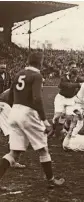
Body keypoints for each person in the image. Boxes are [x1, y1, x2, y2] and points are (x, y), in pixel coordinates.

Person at [0, 52, 64, 191]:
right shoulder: (37, 75)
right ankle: (51, 180)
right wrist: (44, 120)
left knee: (14, 153)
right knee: (43, 149)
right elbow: (37, 98)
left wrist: (15, 108)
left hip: (14, 112)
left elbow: (10, 94)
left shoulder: (18, 73)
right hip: (28, 114)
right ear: (40, 63)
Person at [0, 89, 26, 169]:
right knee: (14, 131)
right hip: (4, 106)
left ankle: (13, 159)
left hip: (4, 105)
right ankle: (13, 161)